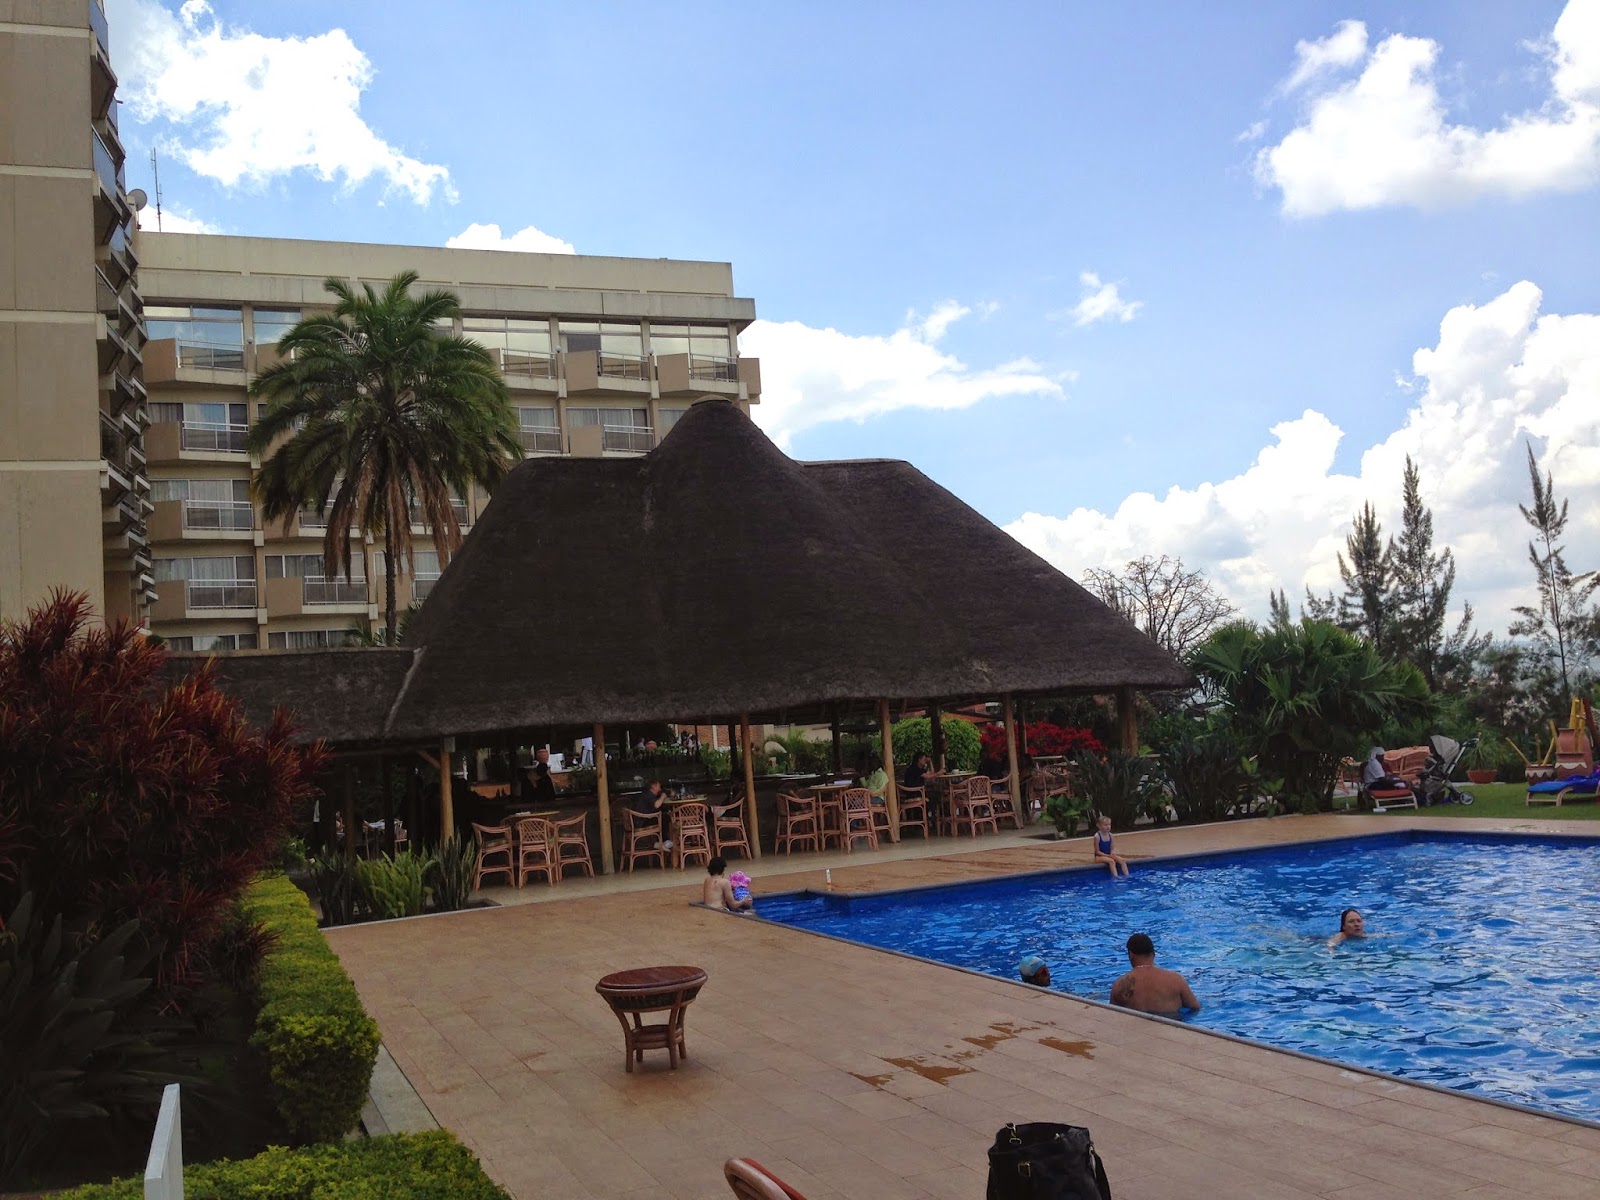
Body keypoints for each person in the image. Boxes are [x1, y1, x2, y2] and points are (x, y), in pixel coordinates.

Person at [1109, 933, 1200, 1016]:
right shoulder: (1176, 980)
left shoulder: (1119, 985)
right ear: (1153, 954)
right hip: (1170, 1024)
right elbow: (1195, 1008)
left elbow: (1112, 1015)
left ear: (1131, 954)